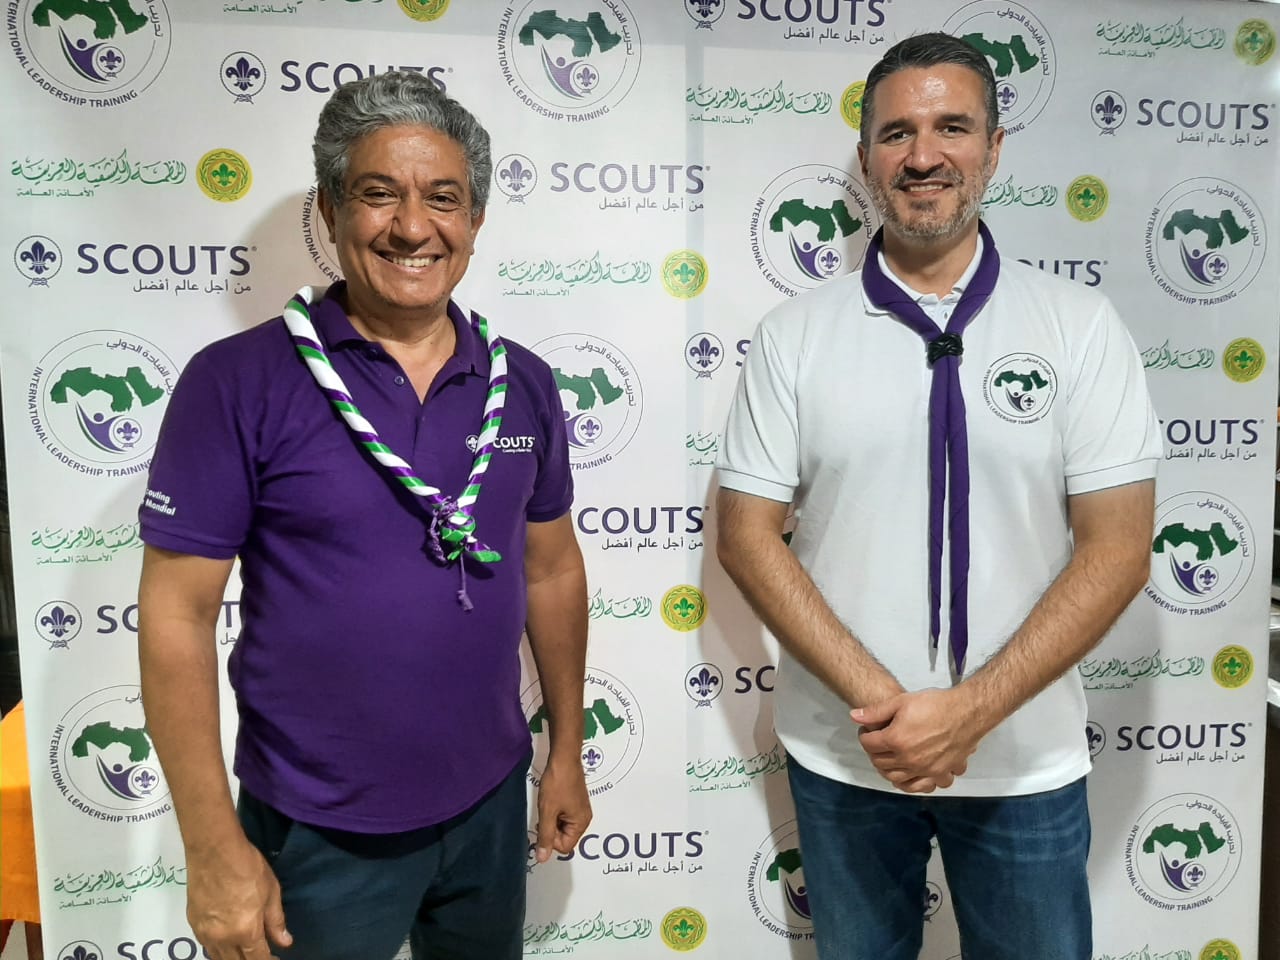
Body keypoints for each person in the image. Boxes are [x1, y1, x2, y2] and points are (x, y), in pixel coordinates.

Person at [716, 32, 1159, 960]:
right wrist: (889, 710)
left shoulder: (1079, 327)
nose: (924, 156)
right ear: (867, 156)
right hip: (847, 755)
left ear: (993, 148)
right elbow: (747, 536)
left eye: (952, 127)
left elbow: (1118, 547)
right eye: (897, 133)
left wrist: (969, 712)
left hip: (1025, 760)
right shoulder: (795, 334)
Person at [138, 70, 591, 960]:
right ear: (330, 209)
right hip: (318, 828)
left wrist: (566, 750)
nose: (413, 227)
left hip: (490, 802)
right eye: (379, 194)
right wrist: (213, 850)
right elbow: (175, 616)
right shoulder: (236, 382)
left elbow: (552, 569)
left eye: (443, 199)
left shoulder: (524, 382)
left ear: (476, 220)